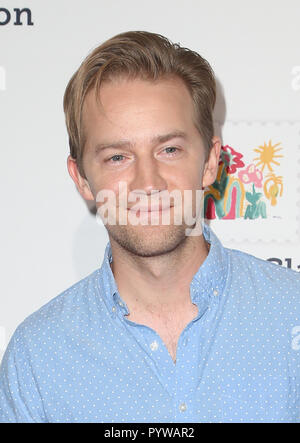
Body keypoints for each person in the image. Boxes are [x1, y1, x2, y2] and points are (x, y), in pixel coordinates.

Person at [0, 31, 299, 424]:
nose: (147, 182)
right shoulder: (37, 358)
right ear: (82, 179)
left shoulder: (291, 313)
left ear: (211, 162)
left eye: (169, 149)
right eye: (118, 156)